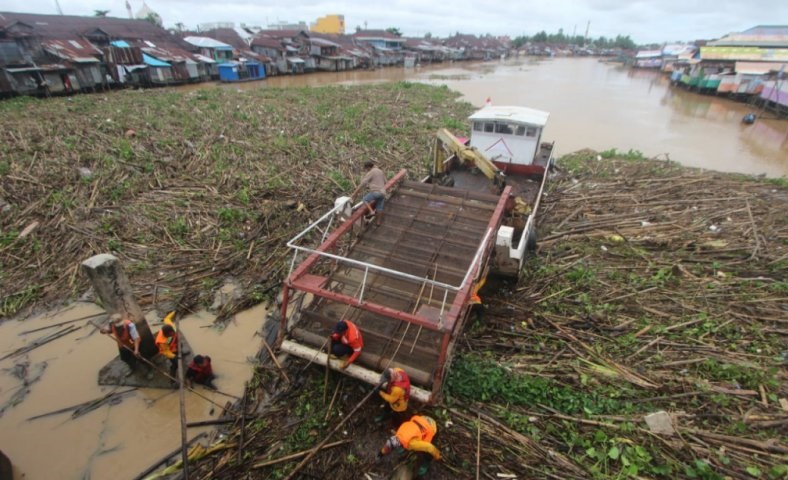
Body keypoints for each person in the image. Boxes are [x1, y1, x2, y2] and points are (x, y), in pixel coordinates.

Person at [350, 160, 386, 226]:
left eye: (366, 169)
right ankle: (378, 222)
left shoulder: (371, 172)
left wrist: (354, 194)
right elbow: (384, 181)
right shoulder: (380, 171)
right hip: (383, 192)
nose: (366, 170)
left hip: (376, 192)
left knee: (365, 199)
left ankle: (371, 211)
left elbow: (362, 184)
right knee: (380, 208)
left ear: (368, 167)